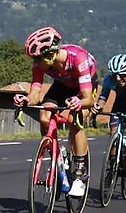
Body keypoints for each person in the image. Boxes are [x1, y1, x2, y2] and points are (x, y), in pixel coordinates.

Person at [13, 27, 97, 197]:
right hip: (62, 86)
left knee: (75, 119)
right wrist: (26, 100)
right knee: (44, 116)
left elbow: (89, 99)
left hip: (85, 88)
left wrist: (79, 102)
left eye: (37, 58)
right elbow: (35, 93)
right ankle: (56, 157)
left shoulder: (78, 58)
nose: (35, 62)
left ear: (50, 55)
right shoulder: (40, 64)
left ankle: (80, 174)